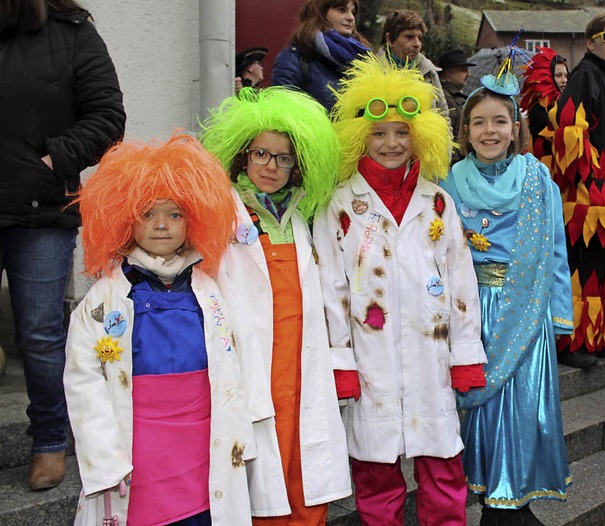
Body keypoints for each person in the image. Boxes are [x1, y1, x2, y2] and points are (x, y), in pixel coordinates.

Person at [313, 55, 487, 526]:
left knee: (445, 475)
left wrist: (466, 354)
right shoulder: (339, 205)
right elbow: (331, 291)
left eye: (402, 132)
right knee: (377, 481)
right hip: (372, 368)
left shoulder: (438, 201)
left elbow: (460, 282)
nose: (391, 143)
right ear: (358, 137)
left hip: (431, 365)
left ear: (421, 136)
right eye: (378, 132)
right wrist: (340, 364)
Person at [64, 133, 255, 526]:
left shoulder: (210, 290)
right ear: (125, 219)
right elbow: (83, 380)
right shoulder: (103, 301)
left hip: (201, 445)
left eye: (174, 214)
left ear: (194, 220)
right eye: (147, 214)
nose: (161, 225)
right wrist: (105, 457)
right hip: (137, 451)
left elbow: (232, 366)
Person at [199, 87, 351, 525]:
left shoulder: (303, 216)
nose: (271, 166)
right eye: (261, 154)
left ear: (297, 166)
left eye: (283, 158)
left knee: (303, 464)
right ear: (242, 155)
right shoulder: (223, 213)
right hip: (253, 362)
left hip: (302, 365)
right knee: (260, 468)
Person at [439, 63, 573, 525]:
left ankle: (516, 501)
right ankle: (490, 502)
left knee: (521, 411)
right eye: (479, 122)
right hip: (471, 310)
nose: (489, 130)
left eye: (499, 121)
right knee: (481, 414)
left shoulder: (538, 180)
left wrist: (559, 317)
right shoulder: (449, 184)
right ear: (465, 130)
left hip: (526, 308)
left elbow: (555, 252)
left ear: (515, 129)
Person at [0, 0, 125, 490]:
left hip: (40, 212)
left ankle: (50, 441)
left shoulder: (72, 33)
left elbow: (107, 116)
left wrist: (52, 160)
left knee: (41, 335)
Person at [543, 12, 605, 368]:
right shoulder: (584, 75)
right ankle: (570, 343)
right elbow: (566, 127)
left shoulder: (600, 77)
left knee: (603, 270)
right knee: (580, 271)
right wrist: (592, 177)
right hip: (585, 202)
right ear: (590, 41)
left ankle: (598, 339)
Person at [271, 0, 370, 112]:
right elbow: (284, 114)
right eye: (342, 10)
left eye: (353, 12)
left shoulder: (362, 57)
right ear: (321, 13)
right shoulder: (294, 58)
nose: (351, 17)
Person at [377, 10, 448, 116]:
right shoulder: (373, 70)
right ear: (389, 39)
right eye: (409, 37)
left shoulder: (428, 71)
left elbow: (443, 116)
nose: (417, 44)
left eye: (419, 38)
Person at [520, 47, 568, 169]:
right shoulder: (538, 109)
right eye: (558, 75)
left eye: (566, 76)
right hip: (545, 169)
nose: (564, 80)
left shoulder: (565, 104)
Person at [438, 49, 476, 161]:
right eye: (463, 70)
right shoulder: (443, 96)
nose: (468, 74)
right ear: (449, 73)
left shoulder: (455, 95)